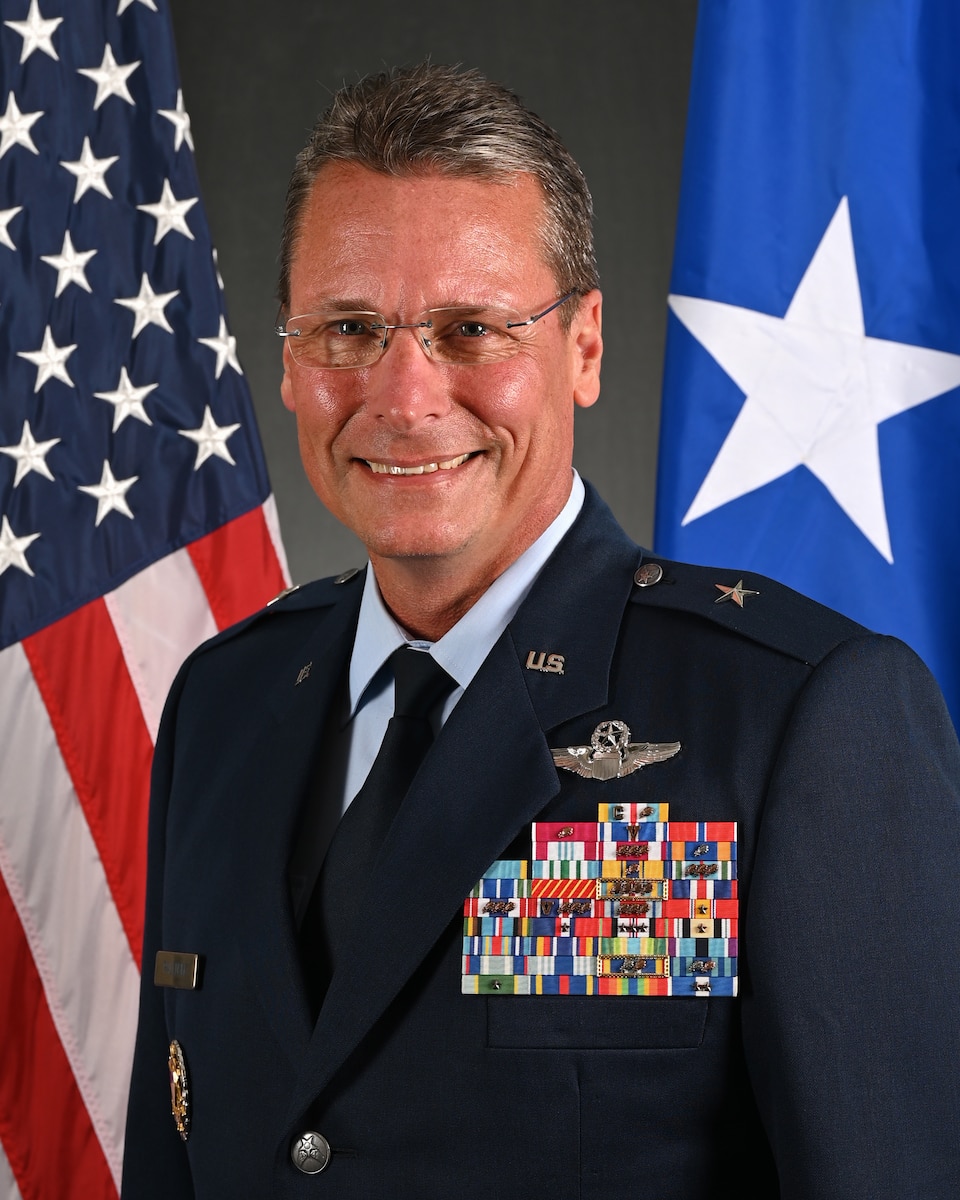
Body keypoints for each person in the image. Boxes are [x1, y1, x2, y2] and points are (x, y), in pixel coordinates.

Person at [121, 63, 960, 1199]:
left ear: (586, 346)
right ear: (288, 358)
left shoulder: (796, 718)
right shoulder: (223, 707)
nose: (405, 397)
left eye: (471, 329)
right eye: (350, 328)